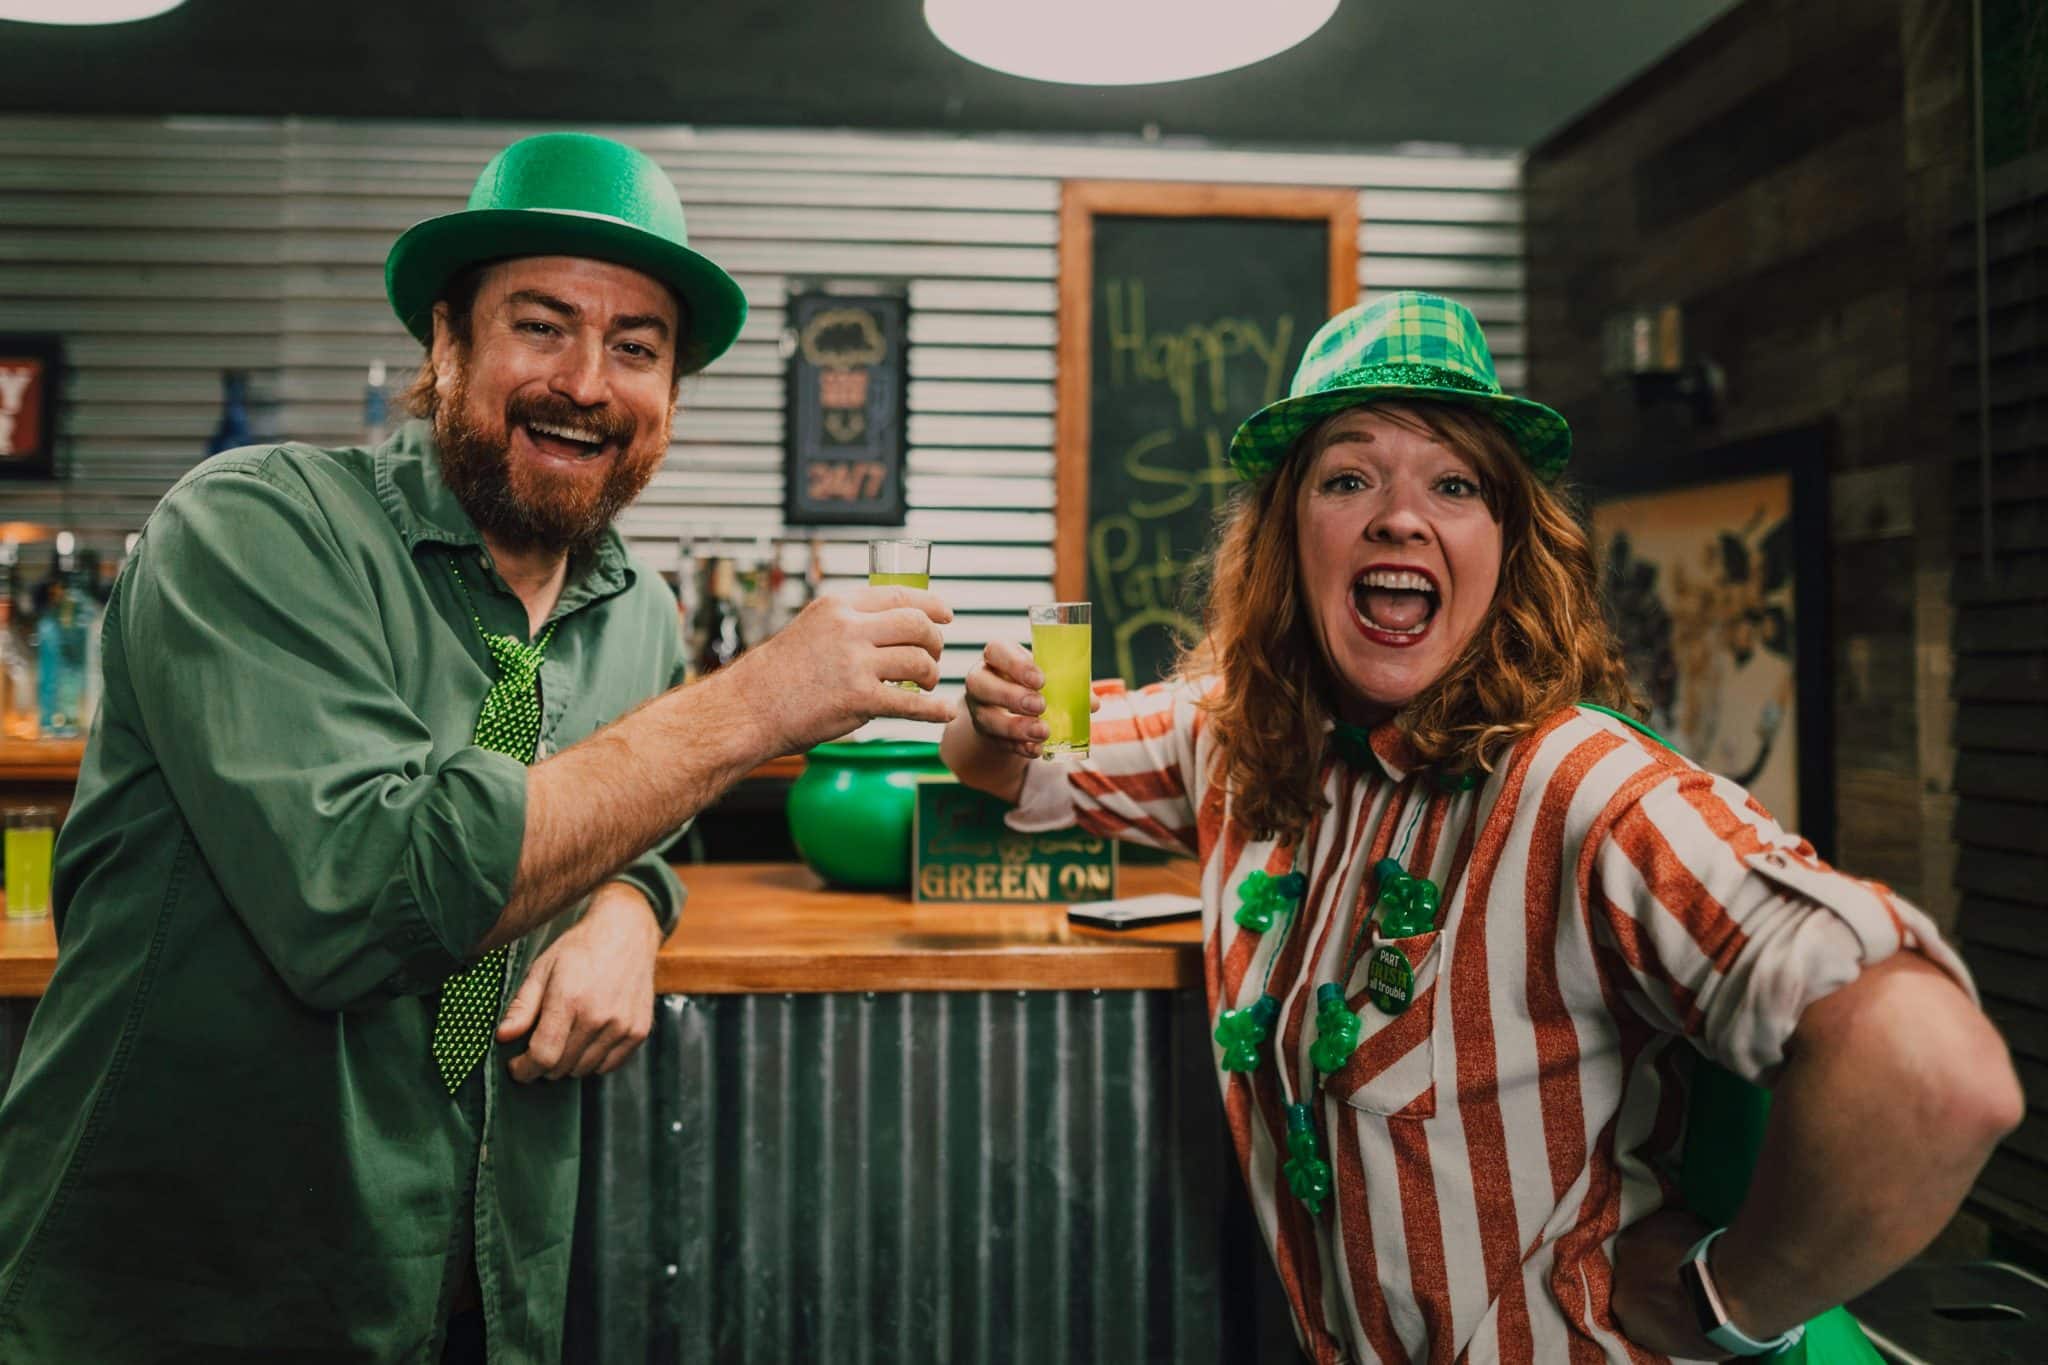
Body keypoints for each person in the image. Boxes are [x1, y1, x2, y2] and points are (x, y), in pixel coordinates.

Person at [0, 132, 953, 1363]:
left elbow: (635, 822)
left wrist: (627, 910)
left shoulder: (639, 618)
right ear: (443, 344)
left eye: (636, 348)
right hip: (174, 1304)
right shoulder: (251, 530)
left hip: (471, 1292)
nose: (588, 383)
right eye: (541, 326)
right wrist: (754, 703)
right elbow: (363, 898)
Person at [943, 291, 2021, 1363]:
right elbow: (1018, 774)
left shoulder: (1584, 787)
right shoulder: (1236, 736)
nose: (1398, 517)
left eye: (1452, 484)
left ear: (1509, 546)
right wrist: (993, 712)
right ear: (1286, 537)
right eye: (1348, 477)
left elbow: (1933, 1076)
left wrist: (1722, 1301)